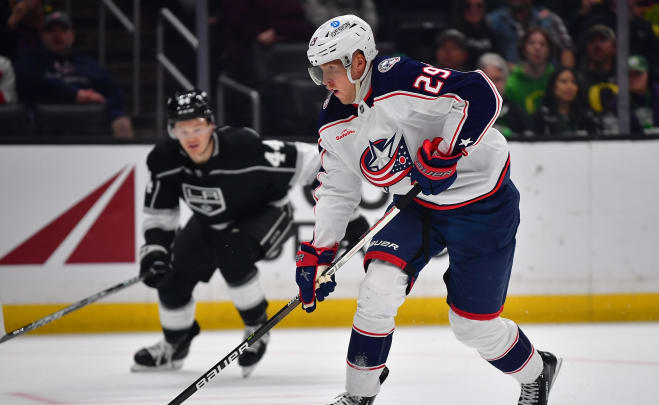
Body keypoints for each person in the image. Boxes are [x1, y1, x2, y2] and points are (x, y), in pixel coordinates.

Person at [300, 14, 562, 405]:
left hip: (483, 207)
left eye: (330, 70)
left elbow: (481, 92)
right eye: (318, 72)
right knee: (378, 287)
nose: (325, 81)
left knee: (473, 328)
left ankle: (537, 372)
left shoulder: (400, 78)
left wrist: (447, 152)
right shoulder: (333, 118)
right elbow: (337, 188)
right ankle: (359, 395)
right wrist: (320, 251)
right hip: (417, 206)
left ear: (358, 62)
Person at [132, 89, 315, 375]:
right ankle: (175, 344)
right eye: (182, 129)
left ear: (211, 125)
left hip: (265, 213)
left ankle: (257, 328)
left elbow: (312, 161)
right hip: (210, 221)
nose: (191, 137)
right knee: (170, 276)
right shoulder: (164, 161)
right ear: (172, 130)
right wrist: (156, 249)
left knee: (234, 252)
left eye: (197, 127)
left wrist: (350, 216)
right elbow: (160, 215)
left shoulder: (244, 147)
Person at [14, 11, 134, 138]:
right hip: (45, 122)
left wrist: (104, 103)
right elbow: (27, 84)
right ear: (42, 36)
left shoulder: (88, 64)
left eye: (63, 30)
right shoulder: (31, 62)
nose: (57, 35)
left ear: (72, 35)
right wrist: (75, 95)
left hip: (89, 121)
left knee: (122, 123)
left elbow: (115, 94)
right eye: (51, 31)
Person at [601, 55, 659, 135]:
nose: (632, 79)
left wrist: (645, 134)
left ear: (648, 75)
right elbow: (611, 134)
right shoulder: (613, 105)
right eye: (628, 75)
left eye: (638, 74)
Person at [487, 0, 575, 67]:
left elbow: (566, 48)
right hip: (507, 81)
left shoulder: (548, 19)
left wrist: (565, 77)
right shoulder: (493, 21)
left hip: (547, 80)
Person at [532, 67, 601, 136]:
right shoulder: (542, 116)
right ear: (552, 87)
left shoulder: (587, 116)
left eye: (574, 82)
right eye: (563, 81)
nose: (570, 86)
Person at [477, 52, 532, 137]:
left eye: (497, 79)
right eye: (488, 79)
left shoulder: (517, 112)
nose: (493, 85)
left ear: (505, 81)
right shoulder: (468, 110)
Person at [504, 27, 555, 115]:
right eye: (531, 43)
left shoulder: (556, 79)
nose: (537, 48)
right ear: (523, 49)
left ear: (549, 50)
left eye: (542, 44)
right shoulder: (510, 85)